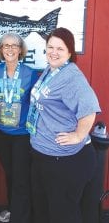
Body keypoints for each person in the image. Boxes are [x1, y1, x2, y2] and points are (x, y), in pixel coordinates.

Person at [26, 27, 101, 223]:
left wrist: (78, 135)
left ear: (70, 52)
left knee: (63, 214)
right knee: (45, 210)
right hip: (44, 154)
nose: (54, 52)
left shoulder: (71, 77)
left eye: (60, 48)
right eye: (50, 47)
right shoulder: (51, 71)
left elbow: (89, 109)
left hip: (64, 159)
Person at [0, 33, 38, 223]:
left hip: (21, 134)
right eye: (6, 46)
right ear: (1, 50)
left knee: (21, 177)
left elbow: (36, 105)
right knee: (11, 173)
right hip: (0, 132)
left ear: (21, 50)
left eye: (14, 46)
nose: (10, 49)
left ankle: (21, 217)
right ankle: (13, 209)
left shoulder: (31, 73)